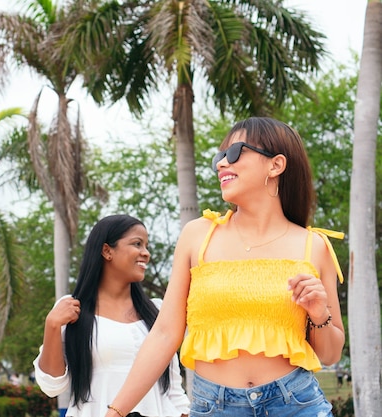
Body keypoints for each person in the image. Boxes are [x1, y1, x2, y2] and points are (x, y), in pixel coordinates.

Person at [104, 117, 345, 417]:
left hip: (296, 405)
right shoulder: (198, 235)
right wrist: (116, 411)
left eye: (234, 153)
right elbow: (165, 334)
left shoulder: (314, 246)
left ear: (276, 165)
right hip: (214, 407)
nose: (221, 164)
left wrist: (319, 312)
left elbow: (330, 354)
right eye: (220, 157)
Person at [33, 214, 190, 417]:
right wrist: (52, 326)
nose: (146, 253)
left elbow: (174, 391)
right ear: (107, 251)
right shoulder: (72, 309)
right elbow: (51, 386)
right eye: (137, 244)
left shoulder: (157, 311)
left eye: (146, 246)